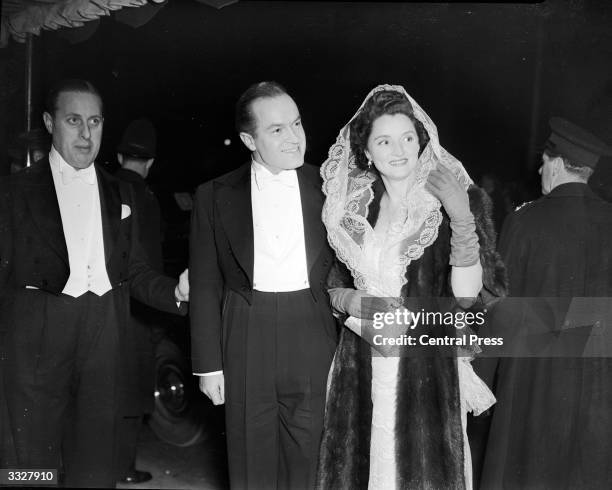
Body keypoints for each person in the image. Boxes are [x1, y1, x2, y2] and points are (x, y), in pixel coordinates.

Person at [0, 79, 189, 488]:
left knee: (96, 465)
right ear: (51, 123)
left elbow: (136, 273)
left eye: (95, 121)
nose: (86, 134)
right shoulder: (13, 191)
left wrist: (175, 291)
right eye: (73, 120)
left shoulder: (122, 192)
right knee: (28, 468)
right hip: (36, 336)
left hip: (104, 334)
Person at [316, 85, 506, 489]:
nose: (398, 149)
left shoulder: (454, 201)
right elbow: (335, 284)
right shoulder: (356, 209)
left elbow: (469, 296)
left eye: (407, 137)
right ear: (366, 151)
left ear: (421, 140)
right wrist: (349, 299)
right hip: (360, 361)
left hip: (425, 369)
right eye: (384, 140)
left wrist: (461, 219)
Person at [189, 81, 337, 489]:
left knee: (312, 460)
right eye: (277, 130)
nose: (294, 137)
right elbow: (204, 283)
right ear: (247, 139)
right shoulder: (213, 195)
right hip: (245, 329)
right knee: (250, 461)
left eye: (297, 123)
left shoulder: (332, 187)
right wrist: (208, 365)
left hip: (312, 330)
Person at [479, 117, 612, 488]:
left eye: (543, 163)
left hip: (534, 382)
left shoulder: (525, 223)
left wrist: (481, 382)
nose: (540, 171)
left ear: (553, 164)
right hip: (601, 388)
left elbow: (499, 309)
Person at [113, 118, 164, 484]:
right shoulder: (147, 199)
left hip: (106, 304)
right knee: (132, 389)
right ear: (150, 163)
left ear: (118, 156)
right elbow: (152, 263)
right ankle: (124, 467)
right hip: (140, 308)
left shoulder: (104, 188)